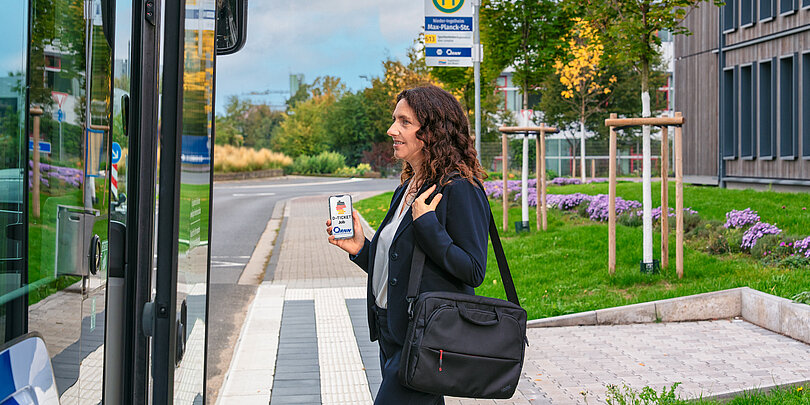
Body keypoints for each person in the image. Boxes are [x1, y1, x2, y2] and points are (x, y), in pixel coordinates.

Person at [325, 85, 490, 404]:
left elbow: (473, 269)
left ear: (433, 131)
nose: (392, 130)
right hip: (393, 329)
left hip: (425, 335)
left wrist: (428, 225)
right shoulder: (408, 187)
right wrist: (361, 249)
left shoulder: (459, 189)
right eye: (394, 120)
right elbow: (404, 264)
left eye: (404, 122)